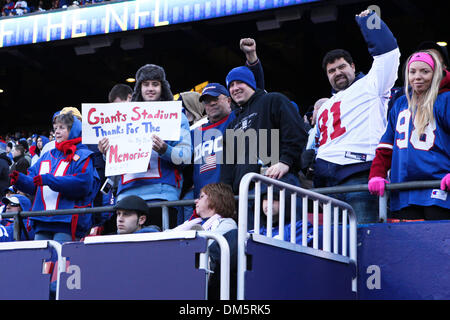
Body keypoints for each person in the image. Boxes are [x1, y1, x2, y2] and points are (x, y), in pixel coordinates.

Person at [313, 9, 400, 224]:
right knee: (334, 250)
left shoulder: (371, 84)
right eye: (331, 71)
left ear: (353, 66)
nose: (337, 72)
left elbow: (389, 54)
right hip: (328, 183)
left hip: (360, 173)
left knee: (365, 242)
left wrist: (370, 22)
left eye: (342, 66)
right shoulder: (325, 106)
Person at [98, 64, 192, 230]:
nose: (150, 88)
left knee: (159, 253)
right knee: (127, 254)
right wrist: (107, 153)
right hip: (126, 196)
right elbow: (115, 163)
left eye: (155, 84)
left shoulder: (176, 116)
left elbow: (185, 156)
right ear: (138, 88)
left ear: (162, 87)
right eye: (145, 84)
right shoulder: (122, 117)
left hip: (161, 196)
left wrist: (165, 149)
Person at [368, 50, 450, 220]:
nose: (417, 77)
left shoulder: (446, 100)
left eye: (424, 71)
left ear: (435, 74)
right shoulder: (399, 104)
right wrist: (377, 174)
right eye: (412, 72)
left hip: (439, 188)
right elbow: (386, 146)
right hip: (404, 191)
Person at [10, 112, 101, 242]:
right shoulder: (46, 156)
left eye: (62, 128)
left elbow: (83, 184)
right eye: (55, 128)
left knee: (62, 261)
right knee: (40, 260)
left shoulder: (83, 154)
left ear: (73, 130)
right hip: (42, 219)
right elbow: (34, 186)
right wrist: (20, 180)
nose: (57, 131)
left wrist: (50, 180)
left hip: (66, 221)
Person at [221, 65, 306, 192]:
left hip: (277, 181)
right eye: (231, 85)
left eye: (240, 82)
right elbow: (227, 167)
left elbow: (296, 133)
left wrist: (286, 161)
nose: (235, 88)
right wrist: (227, 196)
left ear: (251, 84)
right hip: (243, 194)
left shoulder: (273, 100)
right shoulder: (232, 124)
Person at [170, 183, 237, 234]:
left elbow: (212, 247)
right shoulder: (191, 223)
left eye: (201, 197)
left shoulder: (228, 224)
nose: (196, 201)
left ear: (214, 200)